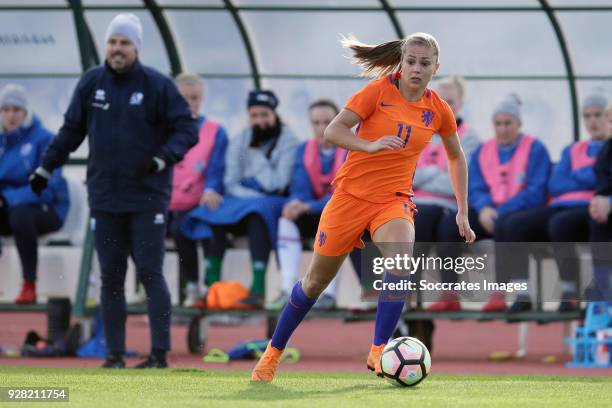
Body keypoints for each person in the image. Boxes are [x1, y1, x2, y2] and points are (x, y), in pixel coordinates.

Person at [251, 32, 475, 382]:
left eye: (424, 63)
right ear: (401, 63)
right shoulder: (377, 91)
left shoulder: (438, 109)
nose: (416, 69)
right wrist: (368, 146)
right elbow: (332, 132)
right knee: (314, 283)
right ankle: (272, 354)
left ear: (436, 68)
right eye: (411, 61)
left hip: (394, 201)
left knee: (401, 263)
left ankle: (378, 352)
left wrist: (463, 210)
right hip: (349, 199)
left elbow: (456, 157)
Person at [29, 14, 197, 368]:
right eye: (112, 42)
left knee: (150, 273)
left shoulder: (157, 85)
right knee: (111, 277)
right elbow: (71, 130)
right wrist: (46, 167)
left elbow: (186, 129)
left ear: (136, 47)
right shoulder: (92, 82)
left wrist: (161, 160)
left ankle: (159, 354)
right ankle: (114, 354)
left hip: (148, 195)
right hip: (105, 197)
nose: (117, 49)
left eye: (124, 43)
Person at [184, 90, 299, 309]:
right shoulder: (240, 140)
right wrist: (252, 191)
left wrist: (255, 159)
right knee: (212, 210)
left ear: (275, 114)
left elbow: (279, 182)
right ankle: (211, 287)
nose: (259, 121)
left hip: (274, 202)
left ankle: (256, 290)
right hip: (246, 200)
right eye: (254, 115)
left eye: (264, 115)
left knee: (258, 213)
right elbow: (231, 181)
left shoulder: (288, 141)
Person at [437, 94, 551, 313]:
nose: (503, 129)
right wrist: (484, 208)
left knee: (510, 225)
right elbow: (475, 186)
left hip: (518, 214)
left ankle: (506, 292)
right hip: (488, 213)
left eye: (508, 123)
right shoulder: (483, 151)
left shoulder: (535, 149)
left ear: (519, 123)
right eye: (498, 123)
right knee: (449, 226)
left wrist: (500, 212)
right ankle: (449, 292)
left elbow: (536, 191)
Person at [500, 93, 608, 312]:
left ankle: (569, 289)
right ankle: (523, 292)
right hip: (560, 205)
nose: (592, 121)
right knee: (513, 225)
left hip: (589, 207)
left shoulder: (609, 149)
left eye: (598, 115)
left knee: (560, 224)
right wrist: (586, 177)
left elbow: (602, 179)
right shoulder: (572, 149)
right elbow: (555, 183)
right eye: (587, 116)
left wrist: (575, 176)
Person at [411, 75, 480, 312]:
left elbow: (457, 181)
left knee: (437, 223)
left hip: (451, 205)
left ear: (460, 103)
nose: (444, 106)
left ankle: (447, 292)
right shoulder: (418, 130)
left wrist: (423, 175)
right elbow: (406, 174)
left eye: (450, 101)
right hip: (416, 202)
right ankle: (405, 289)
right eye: (439, 99)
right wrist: (435, 171)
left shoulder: (469, 136)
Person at [271, 99, 346, 311]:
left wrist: (307, 207)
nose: (322, 128)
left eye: (327, 122)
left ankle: (329, 295)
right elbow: (300, 186)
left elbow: (344, 194)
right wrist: (295, 203)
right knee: (286, 219)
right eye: (316, 123)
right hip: (313, 213)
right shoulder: (304, 149)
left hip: (339, 214)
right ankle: (287, 289)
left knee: (339, 221)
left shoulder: (351, 149)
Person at [0, 84, 69, 304]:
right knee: (15, 213)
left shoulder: (44, 139)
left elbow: (48, 188)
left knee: (21, 214)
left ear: (26, 112)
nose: (11, 116)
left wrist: (7, 199)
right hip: (10, 208)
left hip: (49, 209)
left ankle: (29, 284)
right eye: (6, 109)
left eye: (16, 110)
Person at [167, 73, 228, 307]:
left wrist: (211, 188)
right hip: (164, 201)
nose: (190, 103)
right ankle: (146, 286)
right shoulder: (163, 129)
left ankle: (197, 287)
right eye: (184, 98)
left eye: (194, 98)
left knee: (185, 228)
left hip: (196, 203)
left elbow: (216, 167)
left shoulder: (215, 131)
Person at [588, 101, 612, 301]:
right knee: (598, 218)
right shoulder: (606, 151)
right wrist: (602, 201)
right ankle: (602, 284)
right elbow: (603, 182)